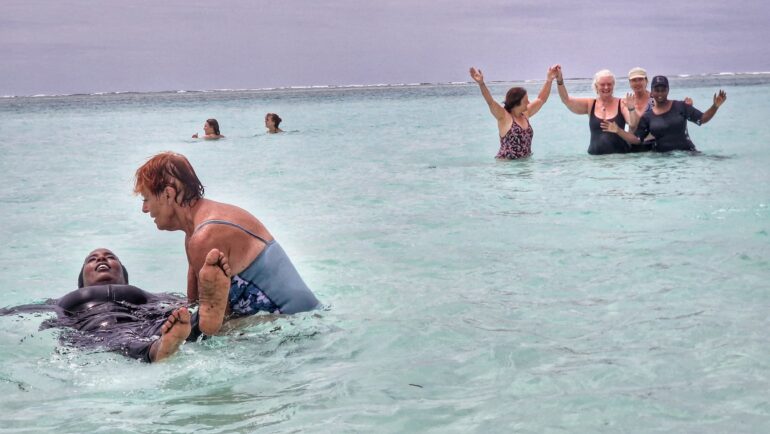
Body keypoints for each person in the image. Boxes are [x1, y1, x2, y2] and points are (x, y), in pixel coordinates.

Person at [133, 152, 320, 337]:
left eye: (146, 199)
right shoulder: (198, 230)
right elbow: (194, 304)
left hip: (298, 328)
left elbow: (216, 325)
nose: (144, 209)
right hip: (307, 319)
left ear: (168, 194)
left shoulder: (205, 236)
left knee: (210, 335)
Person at [0, 248, 227, 362]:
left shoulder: (148, 295)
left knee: (176, 320)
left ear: (124, 276)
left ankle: (206, 317)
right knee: (122, 339)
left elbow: (183, 305)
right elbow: (18, 311)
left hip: (145, 319)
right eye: (92, 259)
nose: (101, 259)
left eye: (110, 257)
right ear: (81, 281)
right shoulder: (61, 301)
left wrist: (197, 302)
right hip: (94, 329)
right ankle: (159, 348)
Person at [601, 76, 727, 152]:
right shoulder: (647, 117)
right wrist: (618, 130)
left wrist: (715, 106)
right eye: (657, 90)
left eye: (663, 90)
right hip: (662, 160)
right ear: (652, 92)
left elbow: (702, 119)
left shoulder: (681, 106)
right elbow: (637, 140)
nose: (660, 93)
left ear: (668, 90)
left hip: (687, 154)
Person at [469, 65, 559, 159]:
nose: (528, 102)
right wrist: (481, 84)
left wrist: (549, 80)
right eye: (525, 101)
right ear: (516, 103)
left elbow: (541, 99)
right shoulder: (504, 116)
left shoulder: (525, 114)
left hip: (524, 164)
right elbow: (490, 102)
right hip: (507, 165)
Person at [555, 68, 636, 155]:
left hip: (619, 158)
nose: (606, 87)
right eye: (602, 84)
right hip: (595, 159)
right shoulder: (590, 104)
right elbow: (566, 100)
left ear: (613, 85)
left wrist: (631, 108)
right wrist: (559, 80)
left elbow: (632, 123)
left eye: (609, 84)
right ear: (596, 86)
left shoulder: (621, 103)